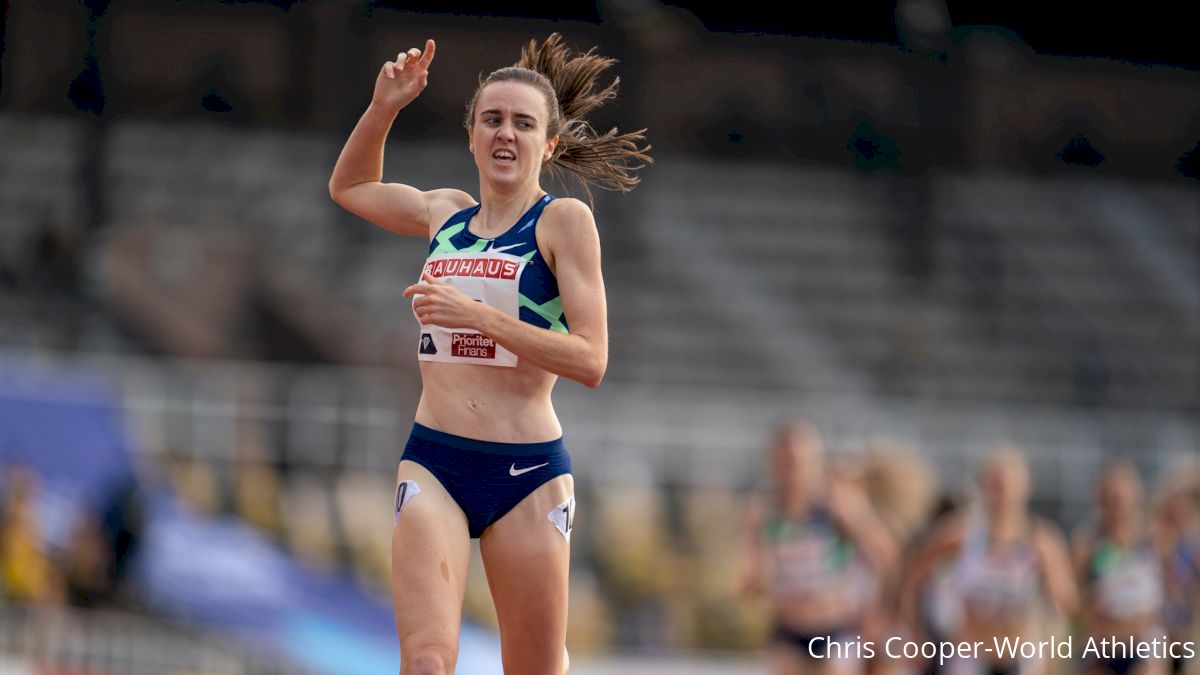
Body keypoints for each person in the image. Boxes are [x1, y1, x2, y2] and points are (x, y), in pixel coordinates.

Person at [328, 34, 650, 674]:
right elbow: (351, 186)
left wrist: (478, 317)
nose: (507, 134)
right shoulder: (445, 212)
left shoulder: (563, 224)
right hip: (436, 459)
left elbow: (590, 360)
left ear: (548, 145)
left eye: (524, 124)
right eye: (492, 120)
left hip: (526, 472)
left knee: (532, 666)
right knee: (425, 661)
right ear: (472, 136)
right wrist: (385, 106)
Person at [899, 446, 1078, 675]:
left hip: (1019, 655)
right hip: (969, 655)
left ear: (1025, 486)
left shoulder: (1041, 541)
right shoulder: (961, 533)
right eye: (994, 484)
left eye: (1007, 484)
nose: (1001, 493)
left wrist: (1053, 582)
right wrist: (914, 631)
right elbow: (913, 575)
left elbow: (1068, 603)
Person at [740, 421, 898, 675]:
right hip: (788, 628)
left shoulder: (837, 502)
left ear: (815, 461)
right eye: (785, 461)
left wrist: (879, 610)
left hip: (836, 627)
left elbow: (885, 553)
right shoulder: (763, 511)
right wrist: (756, 583)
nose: (792, 470)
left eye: (799, 461)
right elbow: (751, 576)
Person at [1073, 460, 1167, 675]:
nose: (1117, 508)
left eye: (1122, 500)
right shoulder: (1088, 545)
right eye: (1111, 500)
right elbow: (1075, 605)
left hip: (1144, 642)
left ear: (1136, 498)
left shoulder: (1155, 539)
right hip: (1103, 645)